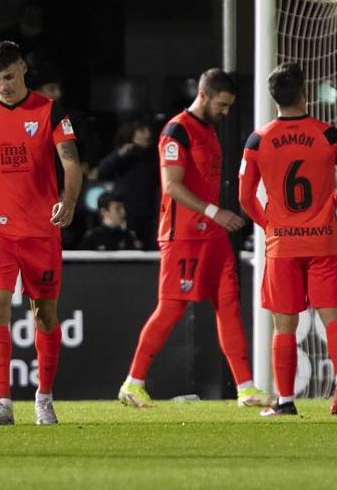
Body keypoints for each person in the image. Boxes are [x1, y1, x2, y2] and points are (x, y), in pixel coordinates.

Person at [118, 68, 269, 409]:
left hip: (212, 236)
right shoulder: (176, 131)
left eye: (229, 106)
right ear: (203, 95)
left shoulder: (209, 130)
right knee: (172, 306)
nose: (225, 112)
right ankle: (133, 382)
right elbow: (172, 186)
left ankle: (245, 388)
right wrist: (216, 212)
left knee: (229, 305)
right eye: (222, 104)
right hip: (183, 235)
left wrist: (215, 220)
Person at [0, 40, 82, 426]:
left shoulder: (50, 111)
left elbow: (73, 162)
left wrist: (70, 201)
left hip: (41, 229)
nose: (4, 86)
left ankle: (43, 398)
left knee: (44, 313)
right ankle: (3, 404)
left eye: (9, 77)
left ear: (24, 68)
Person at [237, 61, 337, 416]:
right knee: (335, 318)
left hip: (282, 246)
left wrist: (270, 225)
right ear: (304, 92)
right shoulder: (328, 135)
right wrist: (332, 203)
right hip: (323, 241)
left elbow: (245, 198)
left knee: (284, 326)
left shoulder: (258, 140)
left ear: (273, 96)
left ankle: (285, 401)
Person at [96, 118, 159, 241]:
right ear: (132, 134)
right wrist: (120, 154)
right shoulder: (123, 154)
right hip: (126, 211)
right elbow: (102, 171)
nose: (148, 134)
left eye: (148, 130)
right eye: (142, 130)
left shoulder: (153, 156)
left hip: (148, 211)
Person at [77, 192, 142, 251]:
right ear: (104, 212)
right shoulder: (91, 238)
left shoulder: (130, 236)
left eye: (123, 208)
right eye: (118, 208)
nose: (123, 212)